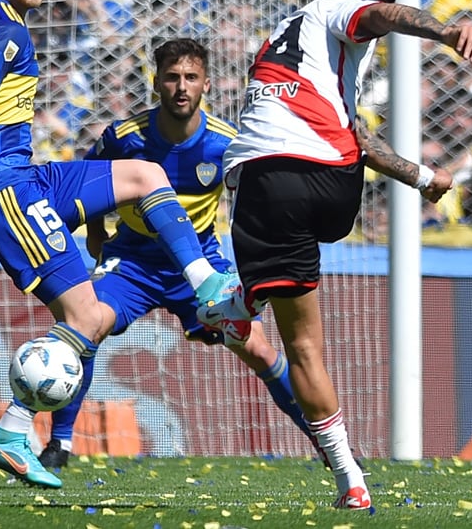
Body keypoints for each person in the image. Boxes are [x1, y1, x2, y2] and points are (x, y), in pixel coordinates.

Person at [0, 0, 233, 489]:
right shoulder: (4, 35)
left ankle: (204, 280)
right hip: (4, 189)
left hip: (27, 177)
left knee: (144, 174)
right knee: (87, 317)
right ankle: (13, 431)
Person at [200, 0, 472, 510]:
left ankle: (349, 479)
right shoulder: (333, 10)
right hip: (330, 186)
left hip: (266, 187)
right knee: (303, 321)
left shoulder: (284, 47)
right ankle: (242, 301)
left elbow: (357, 135)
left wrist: (423, 178)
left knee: (304, 349)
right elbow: (382, 18)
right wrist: (450, 29)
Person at [37, 38, 325, 469]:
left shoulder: (225, 144)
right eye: (172, 77)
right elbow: (86, 179)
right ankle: (59, 445)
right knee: (85, 323)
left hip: (199, 266)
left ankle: (325, 443)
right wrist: (95, 232)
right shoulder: (124, 137)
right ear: (156, 83)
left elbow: (255, 202)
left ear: (207, 84)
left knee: (261, 349)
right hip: (133, 262)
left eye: (191, 77)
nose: (181, 87)